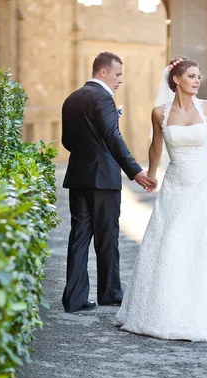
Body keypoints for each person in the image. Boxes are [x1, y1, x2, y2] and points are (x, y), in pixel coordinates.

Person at [114, 57, 207, 341]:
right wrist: (151, 175)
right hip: (175, 187)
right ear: (176, 79)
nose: (197, 80)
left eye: (198, 76)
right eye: (191, 76)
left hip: (204, 186)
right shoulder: (159, 113)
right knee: (172, 243)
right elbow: (156, 146)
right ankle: (166, 312)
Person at [61, 52, 157, 313]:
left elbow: (66, 142)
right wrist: (135, 171)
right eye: (117, 75)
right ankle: (110, 292)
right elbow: (112, 137)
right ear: (102, 72)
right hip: (103, 179)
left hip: (79, 177)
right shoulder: (103, 98)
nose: (120, 81)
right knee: (107, 237)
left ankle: (74, 298)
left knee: (79, 237)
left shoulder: (72, 98)